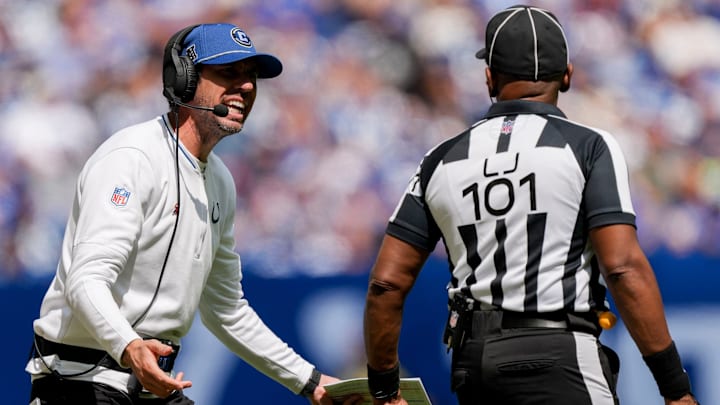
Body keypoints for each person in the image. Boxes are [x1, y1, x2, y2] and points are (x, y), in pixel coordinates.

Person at [363, 5, 698, 405]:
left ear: (489, 78)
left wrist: (384, 389)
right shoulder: (589, 147)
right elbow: (623, 267)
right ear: (568, 75)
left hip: (476, 362)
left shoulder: (441, 159)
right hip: (563, 353)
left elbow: (386, 284)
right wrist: (675, 389)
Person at [26, 23, 359, 405]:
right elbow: (86, 280)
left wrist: (311, 381)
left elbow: (227, 310)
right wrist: (130, 347)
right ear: (183, 80)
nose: (247, 87)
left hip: (151, 385)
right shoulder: (131, 158)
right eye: (229, 73)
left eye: (251, 77)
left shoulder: (220, 180)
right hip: (78, 381)